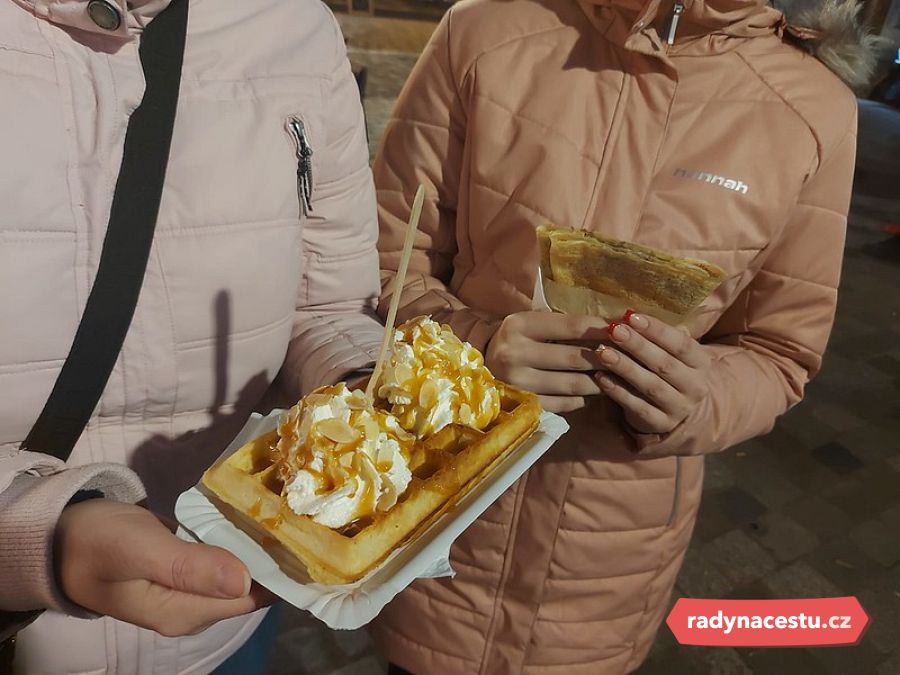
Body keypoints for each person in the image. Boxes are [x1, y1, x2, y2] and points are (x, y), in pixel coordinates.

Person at [370, 0, 875, 672]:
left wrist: (699, 396)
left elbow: (779, 351)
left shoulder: (815, 109)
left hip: (608, 562)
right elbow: (382, 260)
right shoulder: (485, 30)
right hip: (440, 514)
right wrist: (472, 350)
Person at [0, 0, 382, 672]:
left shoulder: (295, 26)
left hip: (230, 622)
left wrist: (368, 386)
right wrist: (32, 532)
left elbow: (325, 307)